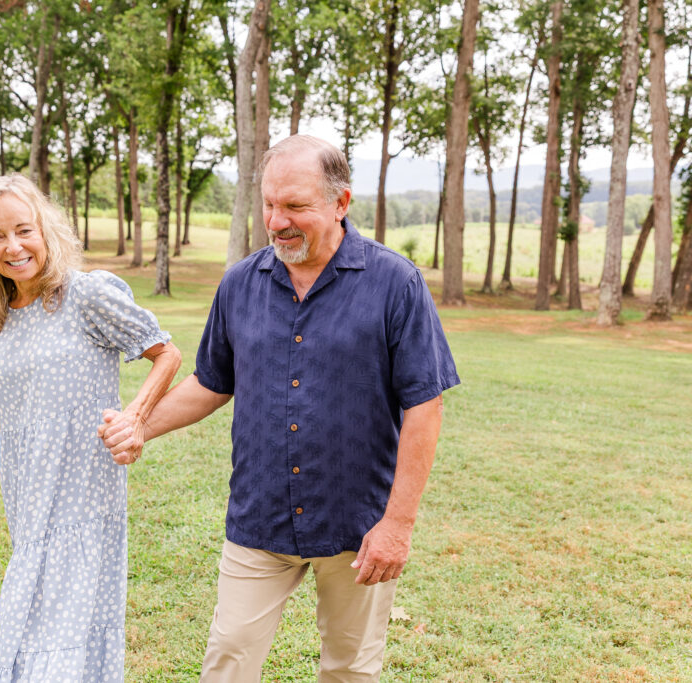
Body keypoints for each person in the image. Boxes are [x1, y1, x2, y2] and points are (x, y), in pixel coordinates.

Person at [99, 135, 460, 681]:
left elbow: (424, 407)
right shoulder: (240, 283)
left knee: (350, 669)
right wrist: (138, 425)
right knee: (229, 656)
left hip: (356, 524)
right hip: (260, 515)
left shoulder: (396, 284)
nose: (277, 220)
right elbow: (211, 382)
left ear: (341, 204)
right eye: (270, 204)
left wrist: (398, 524)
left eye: (295, 206)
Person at [0, 174, 181, 682]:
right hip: (29, 500)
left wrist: (135, 418)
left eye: (23, 230)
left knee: (64, 633)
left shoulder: (86, 295)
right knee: (26, 624)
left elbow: (166, 352)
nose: (13, 247)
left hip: (83, 496)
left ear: (46, 231)